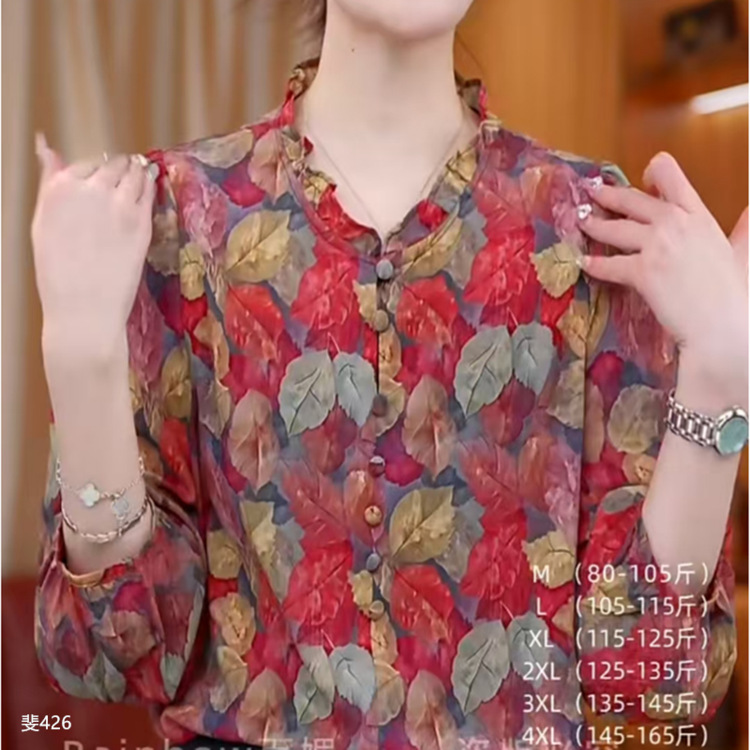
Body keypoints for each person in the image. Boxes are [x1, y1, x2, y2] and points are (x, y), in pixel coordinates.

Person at [31, 0, 747, 749]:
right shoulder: (178, 216)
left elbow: (649, 680)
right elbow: (114, 657)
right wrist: (81, 359)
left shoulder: (595, 227)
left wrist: (720, 378)